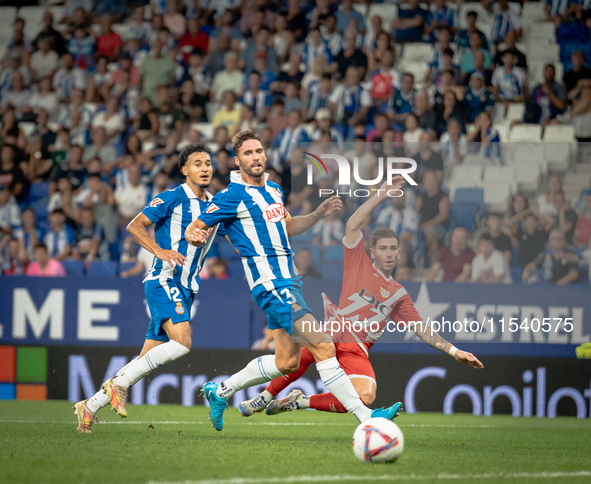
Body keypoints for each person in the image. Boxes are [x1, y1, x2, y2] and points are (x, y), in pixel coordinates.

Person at [185, 129, 405, 432]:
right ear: (237, 161)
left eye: (259, 151)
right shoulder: (230, 196)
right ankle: (368, 419)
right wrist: (194, 235)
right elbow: (196, 227)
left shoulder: (273, 190)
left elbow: (288, 226)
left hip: (290, 281)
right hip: (271, 285)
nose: (255, 157)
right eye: (247, 154)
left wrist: (317, 213)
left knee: (286, 362)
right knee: (324, 345)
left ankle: (220, 391)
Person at [242, 181, 483, 417]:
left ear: (399, 253)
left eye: (393, 249)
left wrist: (453, 351)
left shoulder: (399, 293)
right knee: (304, 354)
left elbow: (421, 328)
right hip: (334, 330)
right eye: (383, 248)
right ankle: (263, 397)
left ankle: (300, 401)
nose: (388, 254)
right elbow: (352, 224)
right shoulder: (359, 263)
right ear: (372, 252)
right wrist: (380, 195)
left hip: (356, 349)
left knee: (365, 397)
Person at [73, 143, 227, 433]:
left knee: (143, 361)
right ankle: (118, 384)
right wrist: (158, 250)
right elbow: (134, 226)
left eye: (208, 163)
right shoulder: (172, 197)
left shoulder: (216, 205)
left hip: (187, 287)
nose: (205, 168)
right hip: (163, 279)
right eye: (197, 163)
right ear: (185, 170)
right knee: (182, 343)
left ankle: (89, 407)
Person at [416, 170, 449, 261]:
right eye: (427, 180)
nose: (429, 182)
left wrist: (427, 225)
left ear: (436, 181)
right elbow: (415, 213)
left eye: (431, 179)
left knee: (429, 234)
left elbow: (443, 215)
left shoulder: (443, 196)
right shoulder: (421, 197)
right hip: (422, 226)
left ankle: (433, 260)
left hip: (438, 226)